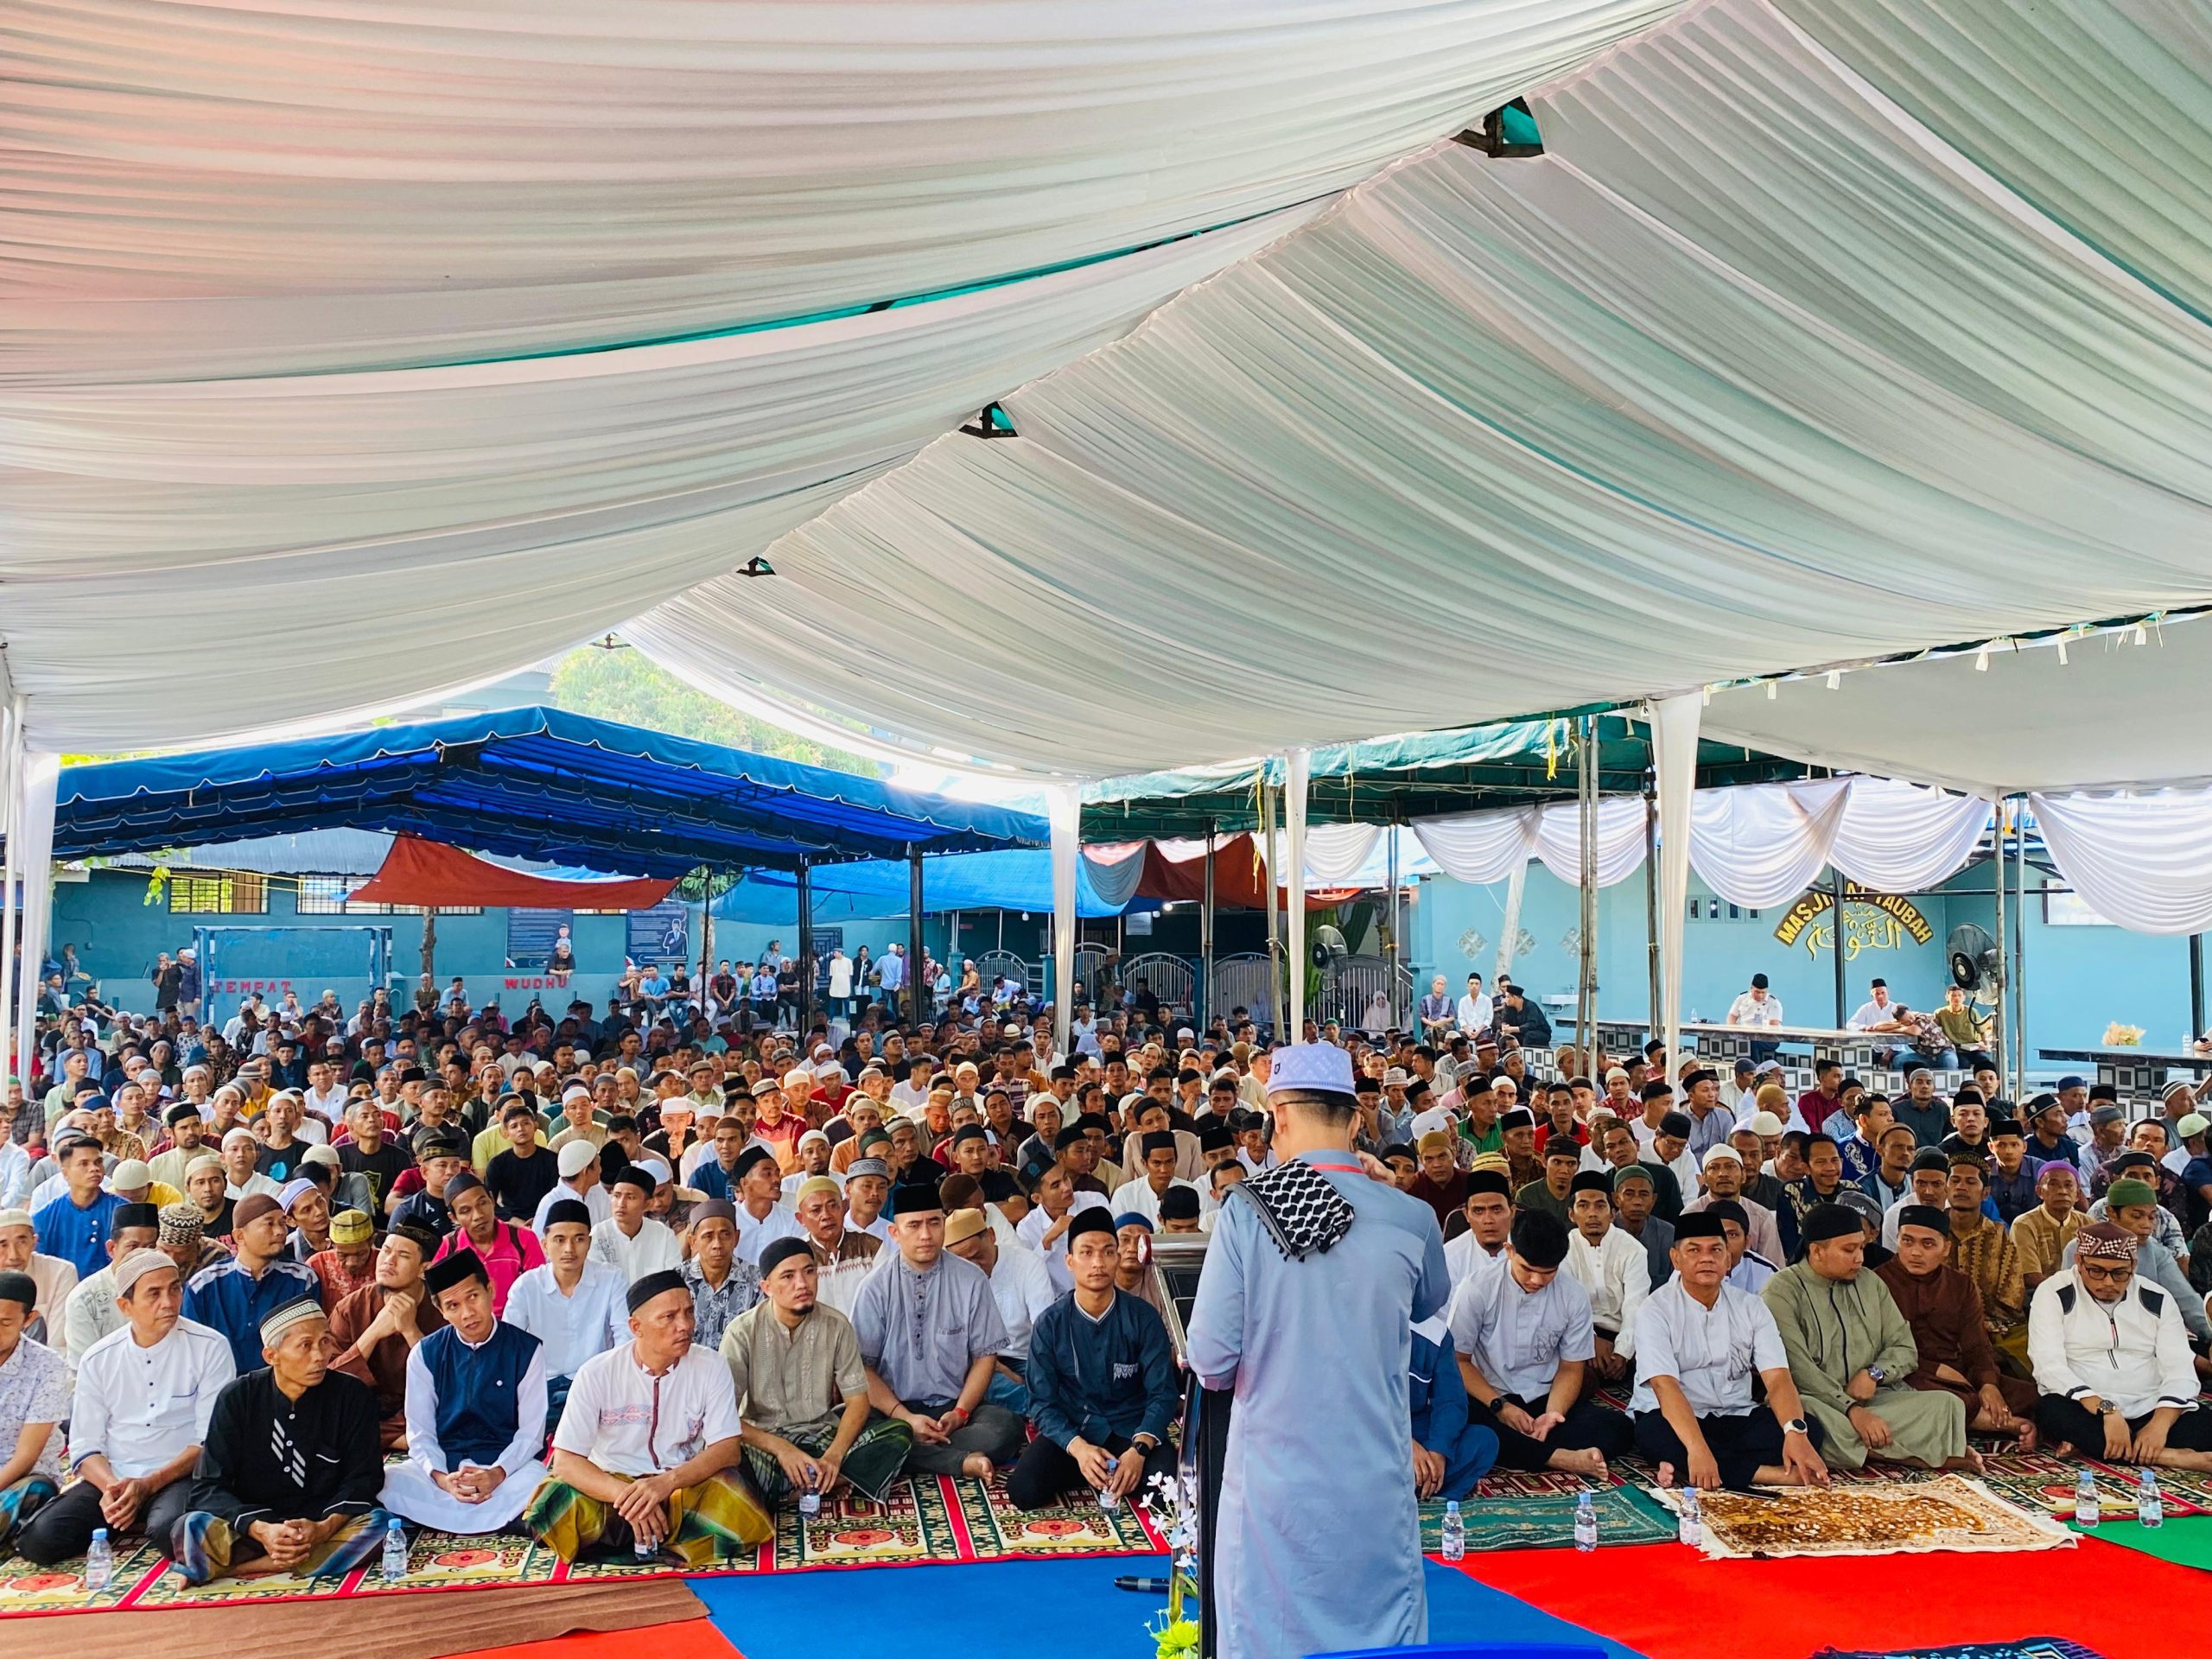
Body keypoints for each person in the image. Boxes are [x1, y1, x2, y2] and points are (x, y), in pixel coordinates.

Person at [1185, 1043, 1450, 1659]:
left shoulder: (1248, 1213)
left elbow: (1212, 1362)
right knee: (1382, 1634)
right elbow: (1427, 1303)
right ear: (1357, 1120)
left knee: (1267, 1632)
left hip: (1278, 1480)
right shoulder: (1411, 1216)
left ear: (1277, 1117)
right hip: (1376, 1477)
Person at [524, 1270, 772, 1566]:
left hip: (682, 1486)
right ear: (636, 1327)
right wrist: (630, 1498)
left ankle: (627, 1541)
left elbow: (727, 1449)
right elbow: (566, 1462)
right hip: (612, 1489)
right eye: (668, 1317)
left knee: (736, 1494)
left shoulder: (710, 1365)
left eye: (688, 1312)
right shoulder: (596, 1373)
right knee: (553, 1500)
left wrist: (665, 1484)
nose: (684, 1326)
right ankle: (661, 1535)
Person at [168, 1299, 385, 1585]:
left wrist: (323, 1528)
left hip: (318, 1524)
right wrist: (261, 1529)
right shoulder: (238, 1398)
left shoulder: (351, 1394)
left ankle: (241, 1568)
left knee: (379, 1524)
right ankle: (291, 1560)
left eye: (325, 1342)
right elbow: (209, 1485)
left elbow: (364, 1477)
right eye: (306, 1346)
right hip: (251, 1526)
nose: (321, 1356)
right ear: (272, 1356)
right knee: (192, 1526)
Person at [1629, 1211, 1829, 1490]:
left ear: (1728, 1259)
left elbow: (1778, 1378)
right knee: (1654, 1436)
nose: (1706, 1258)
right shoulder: (1655, 1310)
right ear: (1676, 1259)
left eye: (1715, 1250)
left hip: (1735, 1413)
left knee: (1810, 1429)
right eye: (1694, 1250)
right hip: (1674, 1414)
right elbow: (1665, 1387)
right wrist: (1697, 1448)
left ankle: (1698, 1466)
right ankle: (1769, 1475)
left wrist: (1795, 1432)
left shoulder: (1751, 1306)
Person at [1760, 1203, 1967, 1471]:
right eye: (1849, 1250)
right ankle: (1899, 1454)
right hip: (1817, 1400)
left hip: (1874, 1399)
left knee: (1947, 1404)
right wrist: (1851, 1411)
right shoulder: (1781, 1291)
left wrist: (1874, 1374)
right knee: (1808, 1418)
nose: (1859, 1257)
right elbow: (1799, 1371)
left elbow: (1904, 1348)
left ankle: (1871, 1448)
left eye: (1861, 1247)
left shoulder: (1870, 1283)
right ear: (1817, 1251)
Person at [1001, 1206, 1179, 1510]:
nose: (1097, 1263)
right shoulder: (1050, 1323)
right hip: (1075, 1432)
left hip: (1130, 1430)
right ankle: (1090, 1468)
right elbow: (1041, 1403)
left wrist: (1139, 1450)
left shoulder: (1142, 1318)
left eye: (1108, 1252)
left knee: (1170, 1492)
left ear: (1117, 1258)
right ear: (1069, 1261)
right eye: (1086, 1252)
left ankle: (1116, 1471)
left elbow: (1163, 1392)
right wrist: (1080, 1450)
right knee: (1023, 1491)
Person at [848, 1177, 1025, 1478]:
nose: (926, 1235)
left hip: (954, 1411)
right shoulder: (874, 1287)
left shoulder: (971, 1279)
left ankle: (909, 1453)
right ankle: (959, 1462)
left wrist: (960, 1413)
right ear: (895, 1233)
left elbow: (985, 1357)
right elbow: (862, 1369)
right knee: (852, 1430)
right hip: (894, 1410)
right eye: (913, 1226)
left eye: (933, 1223)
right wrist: (905, 1419)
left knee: (1006, 1430)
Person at [724, 1236, 913, 1510]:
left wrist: (834, 1457)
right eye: (788, 1276)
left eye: (809, 1272)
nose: (802, 1284)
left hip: (821, 1436)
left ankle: (806, 1482)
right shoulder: (741, 1333)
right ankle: (824, 1482)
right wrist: (782, 1449)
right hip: (764, 1445)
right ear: (766, 1287)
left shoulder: (836, 1325)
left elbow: (858, 1403)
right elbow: (725, 1417)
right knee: (727, 1460)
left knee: (898, 1433)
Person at [1446, 1209, 1633, 1476]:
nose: (1537, 1280)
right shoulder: (1477, 1288)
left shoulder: (1572, 1294)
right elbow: (1459, 1360)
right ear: (1509, 1251)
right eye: (1528, 1269)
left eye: (1548, 1272)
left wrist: (1552, 1416)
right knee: (1465, 1425)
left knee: (1619, 1429)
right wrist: (1500, 1406)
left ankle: (1532, 1448)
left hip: (1543, 1397)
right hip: (1489, 1396)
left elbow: (1571, 1367)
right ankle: (1559, 1458)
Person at [380, 1252, 549, 1535]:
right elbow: (420, 1433)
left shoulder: (527, 1349)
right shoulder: (425, 1354)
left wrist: (497, 1473)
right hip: (447, 1468)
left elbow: (531, 1433)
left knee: (542, 1482)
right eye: (454, 1305)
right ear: (441, 1311)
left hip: (504, 1468)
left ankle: (432, 1520)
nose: (468, 1313)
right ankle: (505, 1521)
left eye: (473, 1297)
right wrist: (442, 1478)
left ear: (490, 1290)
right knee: (388, 1478)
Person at [2026, 1222, 2212, 1469]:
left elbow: (2180, 1368)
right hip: (2088, 1406)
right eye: (2096, 1271)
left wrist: (2159, 1425)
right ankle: (2169, 1456)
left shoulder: (2156, 1298)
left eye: (2119, 1273)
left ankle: (2128, 1448)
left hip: (2149, 1403)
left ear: (2133, 1266)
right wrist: (2107, 1410)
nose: (2108, 1283)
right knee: (2051, 1411)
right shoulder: (2054, 1293)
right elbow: (2049, 1366)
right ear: (2079, 1261)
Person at [1877, 1205, 2037, 1450]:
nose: (1915, 1252)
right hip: (1910, 1373)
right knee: (1939, 1399)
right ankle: (1995, 1423)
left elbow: (1977, 1344)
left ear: (1946, 1248)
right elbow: (1878, 1349)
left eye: (1927, 1244)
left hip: (1959, 1372)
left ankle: (1980, 1417)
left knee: (2033, 1397)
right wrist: (1935, 1369)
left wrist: (1988, 1384)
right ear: (1897, 1240)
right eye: (1907, 1241)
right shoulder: (1878, 1282)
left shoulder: (1961, 1286)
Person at [505, 1201, 627, 1443]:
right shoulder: (527, 1286)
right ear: (545, 1245)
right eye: (559, 1239)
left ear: (589, 1243)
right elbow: (510, 1346)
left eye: (579, 1239)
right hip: (541, 1388)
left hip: (595, 1386)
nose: (569, 1248)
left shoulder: (611, 1279)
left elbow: (624, 1337)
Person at [328, 1224, 446, 1449]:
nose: (388, 1261)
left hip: (418, 1413)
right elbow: (330, 1383)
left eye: (402, 1255)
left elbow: (450, 1384)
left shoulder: (442, 1308)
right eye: (385, 1251)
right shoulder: (350, 1307)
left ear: (424, 1269)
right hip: (365, 1412)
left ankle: (394, 1439)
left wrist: (411, 1331)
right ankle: (402, 1441)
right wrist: (372, 1333)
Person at [181, 1193, 322, 1373]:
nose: (280, 1231)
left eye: (282, 1223)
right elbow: (191, 1354)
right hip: (220, 1389)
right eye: (269, 1223)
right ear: (239, 1236)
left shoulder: (303, 1281)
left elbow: (310, 1346)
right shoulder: (203, 1286)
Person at [0, 1270, 67, 1553]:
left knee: (34, 1491)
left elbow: (26, 1457)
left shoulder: (48, 1366)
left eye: (4, 1322)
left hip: (21, 1479)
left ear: (29, 1320)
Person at [1563, 1169, 1649, 1388]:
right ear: (1572, 1214)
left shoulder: (1633, 1250)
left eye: (1600, 1206)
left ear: (1612, 1214)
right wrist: (1589, 1341)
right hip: (1580, 1333)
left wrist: (1622, 1352)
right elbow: (1567, 1306)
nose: (1592, 1213)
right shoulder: (1564, 1249)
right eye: (1583, 1206)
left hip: (1625, 1333)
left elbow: (1635, 1307)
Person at [58, 1200, 162, 1363]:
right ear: (112, 1248)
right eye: (133, 1247)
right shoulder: (84, 1298)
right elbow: (82, 1365)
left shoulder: (168, 1290)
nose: (142, 1255)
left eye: (150, 1247)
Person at [432, 1173, 545, 1313]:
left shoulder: (523, 1239)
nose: (478, 1215)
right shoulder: (450, 1247)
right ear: (454, 1218)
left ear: (492, 1200)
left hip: (518, 1325)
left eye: (482, 1203)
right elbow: (441, 1299)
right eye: (466, 1211)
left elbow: (539, 1291)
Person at [33, 1133, 124, 1279]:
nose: (94, 1168)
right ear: (65, 1173)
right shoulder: (45, 1217)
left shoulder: (123, 1210)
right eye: (84, 1164)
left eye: (98, 1162)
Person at [590, 1166, 683, 1281]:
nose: (621, 1204)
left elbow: (672, 1280)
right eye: (617, 1196)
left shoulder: (664, 1235)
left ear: (647, 1205)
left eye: (631, 1197)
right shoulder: (599, 1234)